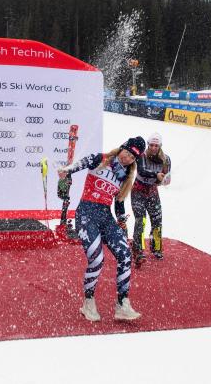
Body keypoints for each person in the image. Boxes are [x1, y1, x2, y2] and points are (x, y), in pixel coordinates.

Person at [58, 136, 146, 322]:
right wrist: (67, 171)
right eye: (127, 153)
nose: (128, 158)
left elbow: (119, 203)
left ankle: (122, 304)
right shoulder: (102, 159)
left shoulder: (125, 177)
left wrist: (122, 222)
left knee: (125, 255)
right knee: (97, 259)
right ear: (122, 148)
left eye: (133, 158)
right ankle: (88, 302)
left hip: (106, 217)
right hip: (86, 213)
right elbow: (81, 163)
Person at [130, 133, 171, 264]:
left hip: (152, 192)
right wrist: (156, 175)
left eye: (156, 145)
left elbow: (165, 179)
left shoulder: (166, 159)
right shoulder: (141, 155)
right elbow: (141, 171)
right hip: (138, 191)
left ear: (160, 146)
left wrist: (165, 180)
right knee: (141, 220)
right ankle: (138, 249)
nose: (153, 148)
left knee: (157, 222)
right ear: (148, 145)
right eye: (151, 145)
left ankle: (157, 248)